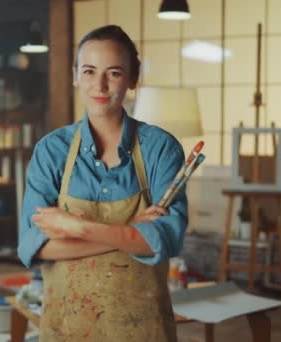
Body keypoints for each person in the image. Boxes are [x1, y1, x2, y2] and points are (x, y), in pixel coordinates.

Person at [17, 25, 187, 342]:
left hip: (142, 329)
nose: (100, 85)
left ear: (133, 79)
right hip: (66, 329)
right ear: (75, 75)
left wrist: (78, 227)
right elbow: (35, 246)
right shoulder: (52, 151)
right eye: (90, 71)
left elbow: (163, 240)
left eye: (114, 73)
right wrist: (130, 229)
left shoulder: (160, 148)